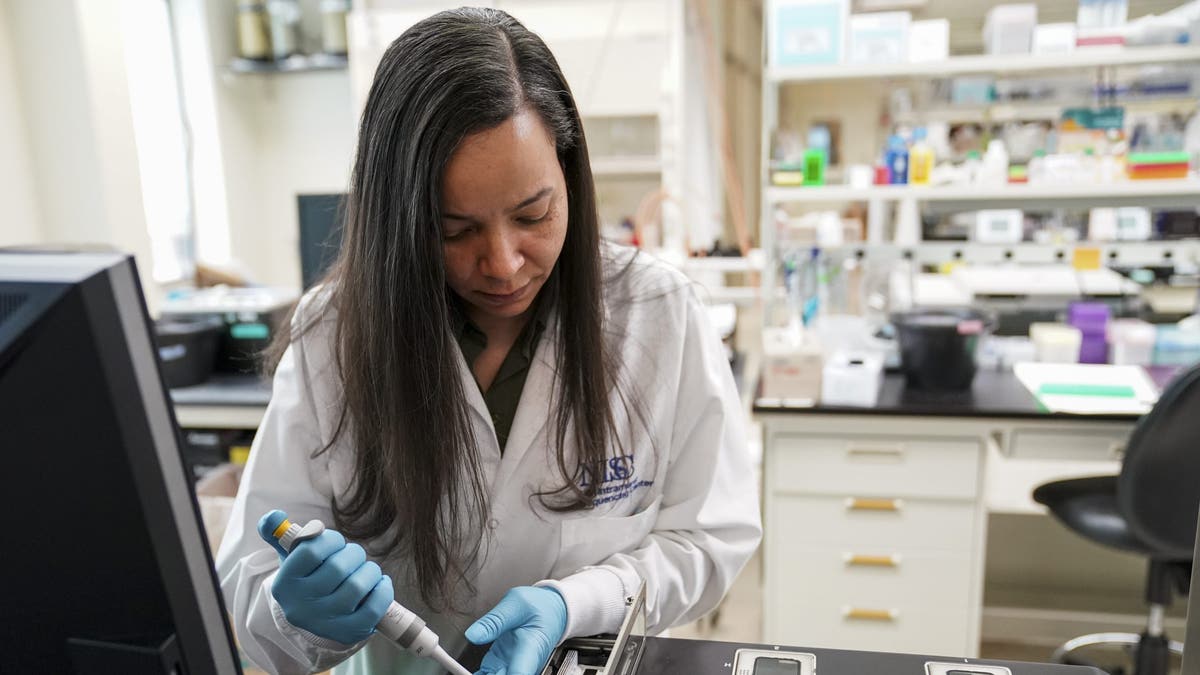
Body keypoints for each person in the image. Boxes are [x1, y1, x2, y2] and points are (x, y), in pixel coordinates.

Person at [216, 7, 761, 675]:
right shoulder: (334, 333)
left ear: (570, 179)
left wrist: (576, 602)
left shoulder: (657, 311)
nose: (503, 263)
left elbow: (710, 535)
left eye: (533, 214)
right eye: (455, 229)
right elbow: (250, 584)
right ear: (399, 220)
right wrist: (293, 608)